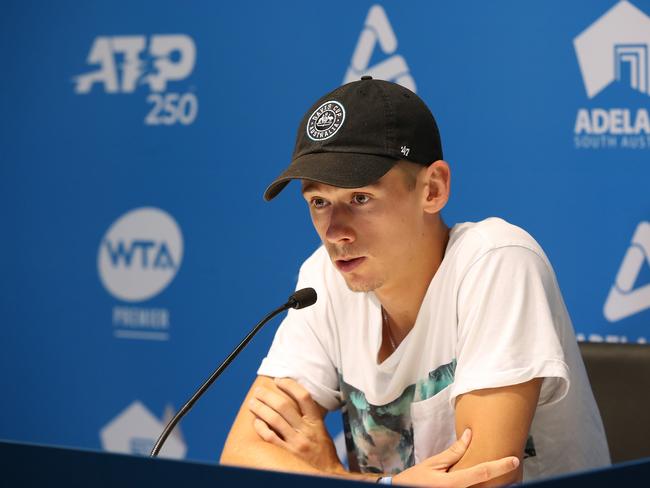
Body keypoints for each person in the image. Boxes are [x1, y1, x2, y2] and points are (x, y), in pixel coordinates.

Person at [220, 77, 610, 486]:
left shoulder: (496, 261)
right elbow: (242, 456)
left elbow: (481, 481)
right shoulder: (324, 278)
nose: (335, 232)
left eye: (360, 198)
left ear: (433, 189)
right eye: (319, 202)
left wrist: (329, 476)